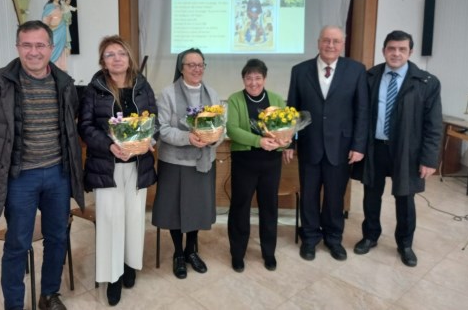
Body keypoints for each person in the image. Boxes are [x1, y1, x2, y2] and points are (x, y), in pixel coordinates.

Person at [0, 20, 84, 310]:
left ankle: (49, 294)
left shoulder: (65, 83)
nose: (34, 51)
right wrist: (3, 146)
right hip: (20, 179)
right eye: (27, 45)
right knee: (18, 244)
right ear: (18, 47)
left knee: (58, 236)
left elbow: (71, 124)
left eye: (40, 45)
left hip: (58, 175)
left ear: (51, 47)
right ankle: (15, 305)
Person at [78, 35, 157, 306]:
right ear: (103, 61)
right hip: (106, 167)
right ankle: (112, 276)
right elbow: (85, 126)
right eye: (110, 54)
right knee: (111, 221)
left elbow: (153, 120)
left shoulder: (142, 85)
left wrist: (146, 142)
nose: (116, 58)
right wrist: (110, 146)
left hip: (137, 165)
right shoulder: (95, 88)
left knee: (134, 219)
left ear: (129, 58)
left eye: (121, 53)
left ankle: (129, 264)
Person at [352, 30, 442, 267]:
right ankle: (370, 235)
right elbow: (359, 115)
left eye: (402, 49)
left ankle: (405, 244)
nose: (396, 53)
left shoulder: (426, 82)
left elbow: (433, 125)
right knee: (371, 195)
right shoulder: (370, 76)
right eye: (391, 48)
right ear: (384, 51)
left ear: (410, 52)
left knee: (405, 198)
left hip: (407, 152)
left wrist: (429, 159)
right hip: (375, 147)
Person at [284, 25, 369, 262]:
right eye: (326, 40)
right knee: (309, 195)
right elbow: (292, 110)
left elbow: (362, 111)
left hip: (341, 148)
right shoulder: (300, 71)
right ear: (318, 42)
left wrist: (359, 145)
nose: (330, 45)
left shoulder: (356, 70)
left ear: (342, 44)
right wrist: (290, 143)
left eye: (336, 41)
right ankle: (310, 238)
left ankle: (333, 238)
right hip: (310, 145)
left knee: (335, 196)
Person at [152, 48, 221, 279]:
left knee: (197, 209)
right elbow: (162, 129)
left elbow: (222, 125)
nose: (196, 69)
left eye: (200, 64)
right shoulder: (168, 93)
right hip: (175, 162)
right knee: (174, 210)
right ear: (181, 67)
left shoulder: (212, 92)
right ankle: (178, 254)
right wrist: (187, 138)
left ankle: (192, 250)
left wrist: (213, 137)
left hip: (202, 161)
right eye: (191, 64)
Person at [226, 59, 288, 272]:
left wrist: (285, 140)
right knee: (240, 207)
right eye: (249, 78)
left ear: (264, 79)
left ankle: (268, 252)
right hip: (245, 161)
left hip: (271, 161)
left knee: (269, 207)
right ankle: (237, 253)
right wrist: (258, 141)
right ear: (243, 79)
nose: (253, 82)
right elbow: (232, 130)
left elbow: (286, 127)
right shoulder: (235, 100)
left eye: (258, 78)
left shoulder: (277, 99)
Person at [42, 0, 68, 71]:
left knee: (61, 50)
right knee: (53, 47)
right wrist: (50, 27)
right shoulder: (49, 6)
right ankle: (50, 67)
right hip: (53, 30)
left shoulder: (61, 7)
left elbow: (66, 18)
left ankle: (60, 69)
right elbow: (45, 20)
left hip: (62, 30)